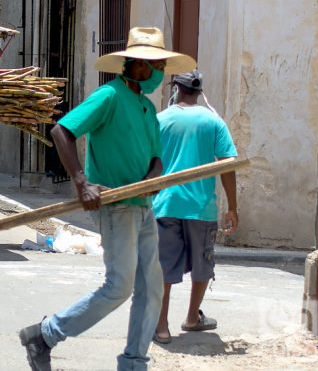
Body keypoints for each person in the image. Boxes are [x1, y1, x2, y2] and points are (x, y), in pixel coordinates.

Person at [18, 27, 196, 371]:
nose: (160, 73)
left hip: (143, 207)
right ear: (139, 65)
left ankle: (134, 361)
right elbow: (62, 131)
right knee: (119, 286)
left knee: (152, 288)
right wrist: (81, 181)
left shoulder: (145, 106)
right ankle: (45, 334)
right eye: (157, 65)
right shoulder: (109, 96)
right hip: (116, 208)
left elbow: (156, 156)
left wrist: (151, 178)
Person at [152, 70, 239, 344]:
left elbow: (147, 162)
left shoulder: (159, 120)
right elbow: (227, 164)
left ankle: (161, 326)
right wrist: (232, 207)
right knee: (204, 263)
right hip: (201, 207)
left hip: (165, 204)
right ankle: (192, 318)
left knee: (163, 266)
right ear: (199, 93)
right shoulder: (213, 121)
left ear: (176, 88)